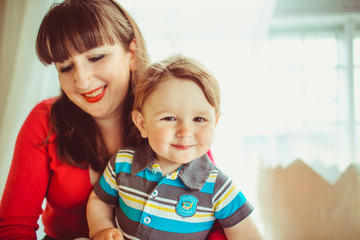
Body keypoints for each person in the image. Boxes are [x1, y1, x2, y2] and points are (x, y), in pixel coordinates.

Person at [0, 1, 227, 239]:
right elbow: (14, 227)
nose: (83, 81)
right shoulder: (45, 121)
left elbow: (215, 222)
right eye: (66, 67)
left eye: (96, 57)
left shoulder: (174, 115)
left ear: (132, 53)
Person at [87, 55, 262, 240]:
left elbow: (248, 235)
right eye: (169, 118)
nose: (185, 131)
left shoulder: (218, 186)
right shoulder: (123, 163)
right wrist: (101, 229)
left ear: (215, 123)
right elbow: (99, 200)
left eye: (199, 119)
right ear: (142, 124)